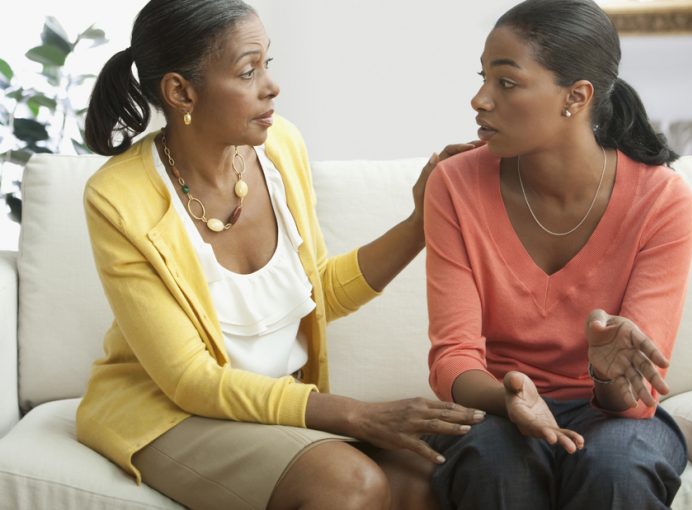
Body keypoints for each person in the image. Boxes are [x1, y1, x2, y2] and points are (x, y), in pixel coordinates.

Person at [77, 1, 484, 509]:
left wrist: (419, 222)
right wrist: (354, 414)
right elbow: (189, 380)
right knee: (350, 485)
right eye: (248, 71)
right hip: (170, 412)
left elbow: (317, 295)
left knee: (422, 478)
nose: (271, 86)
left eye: (268, 64)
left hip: (265, 402)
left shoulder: (281, 146)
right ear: (181, 91)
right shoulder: (118, 196)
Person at [422, 0, 692, 508]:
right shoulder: (455, 185)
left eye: (506, 83)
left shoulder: (662, 200)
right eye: (483, 78)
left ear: (576, 97)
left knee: (618, 466)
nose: (479, 100)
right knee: (497, 464)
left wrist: (607, 375)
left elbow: (635, 400)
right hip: (495, 406)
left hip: (611, 415)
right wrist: (509, 397)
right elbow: (452, 360)